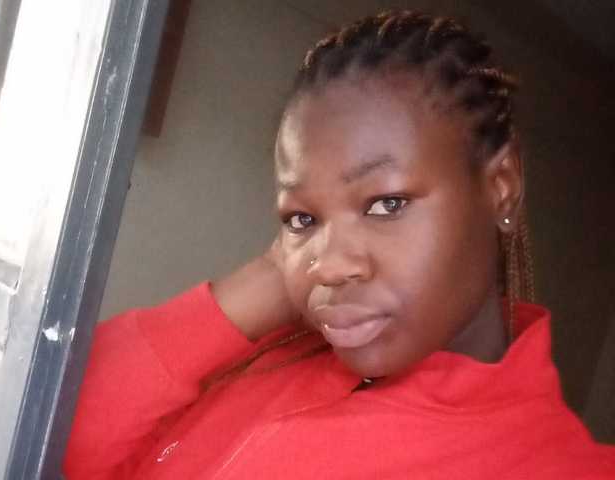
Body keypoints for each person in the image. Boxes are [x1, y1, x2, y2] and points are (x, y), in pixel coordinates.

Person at [63, 10, 615, 479]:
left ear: (501, 187)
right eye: (302, 216)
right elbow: (49, 425)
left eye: (386, 204)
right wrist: (265, 281)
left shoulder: (554, 465)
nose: (328, 265)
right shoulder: (273, 352)